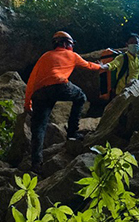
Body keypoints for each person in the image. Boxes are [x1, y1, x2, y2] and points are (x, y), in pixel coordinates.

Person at [23, 30, 110, 170]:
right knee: (81, 97)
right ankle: (72, 132)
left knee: (39, 127)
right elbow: (89, 65)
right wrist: (103, 66)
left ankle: (36, 163)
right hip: (59, 85)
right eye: (70, 44)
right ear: (65, 44)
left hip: (40, 92)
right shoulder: (72, 55)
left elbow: (32, 79)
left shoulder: (45, 56)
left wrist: (27, 103)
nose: (71, 47)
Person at [102, 32, 139, 102]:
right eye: (131, 42)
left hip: (134, 92)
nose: (134, 45)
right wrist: (105, 66)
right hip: (121, 92)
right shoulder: (122, 57)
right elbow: (114, 64)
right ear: (127, 44)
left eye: (136, 43)